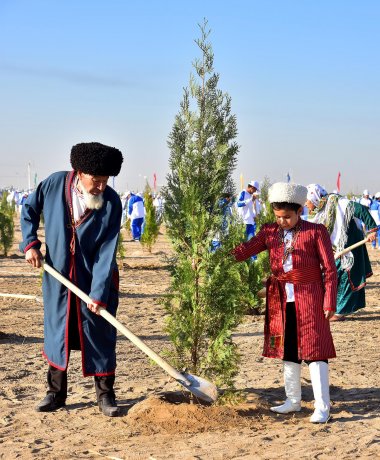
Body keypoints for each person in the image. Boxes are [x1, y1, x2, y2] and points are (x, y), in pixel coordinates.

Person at [19, 142, 124, 417]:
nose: (101, 187)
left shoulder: (111, 202)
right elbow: (28, 210)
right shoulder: (54, 185)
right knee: (58, 332)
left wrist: (99, 292)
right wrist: (30, 244)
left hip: (96, 282)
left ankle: (105, 396)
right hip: (59, 279)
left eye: (105, 181)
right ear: (79, 173)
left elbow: (107, 251)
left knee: (99, 335)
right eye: (96, 181)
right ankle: (55, 394)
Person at [232, 182, 337, 423]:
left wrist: (329, 300)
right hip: (280, 298)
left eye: (287, 217)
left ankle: (322, 406)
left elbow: (330, 270)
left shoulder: (315, 231)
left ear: (300, 211)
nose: (282, 221)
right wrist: (216, 259)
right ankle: (293, 401)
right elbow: (246, 250)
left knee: (315, 350)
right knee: (288, 349)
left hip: (310, 298)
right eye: (278, 216)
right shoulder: (270, 232)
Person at [306, 184, 377, 321]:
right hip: (336, 248)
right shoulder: (321, 210)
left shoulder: (338, 202)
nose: (306, 204)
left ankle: (340, 312)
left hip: (350, 245)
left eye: (307, 200)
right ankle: (332, 307)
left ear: (313, 197)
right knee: (333, 276)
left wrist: (372, 229)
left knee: (345, 276)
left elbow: (360, 209)